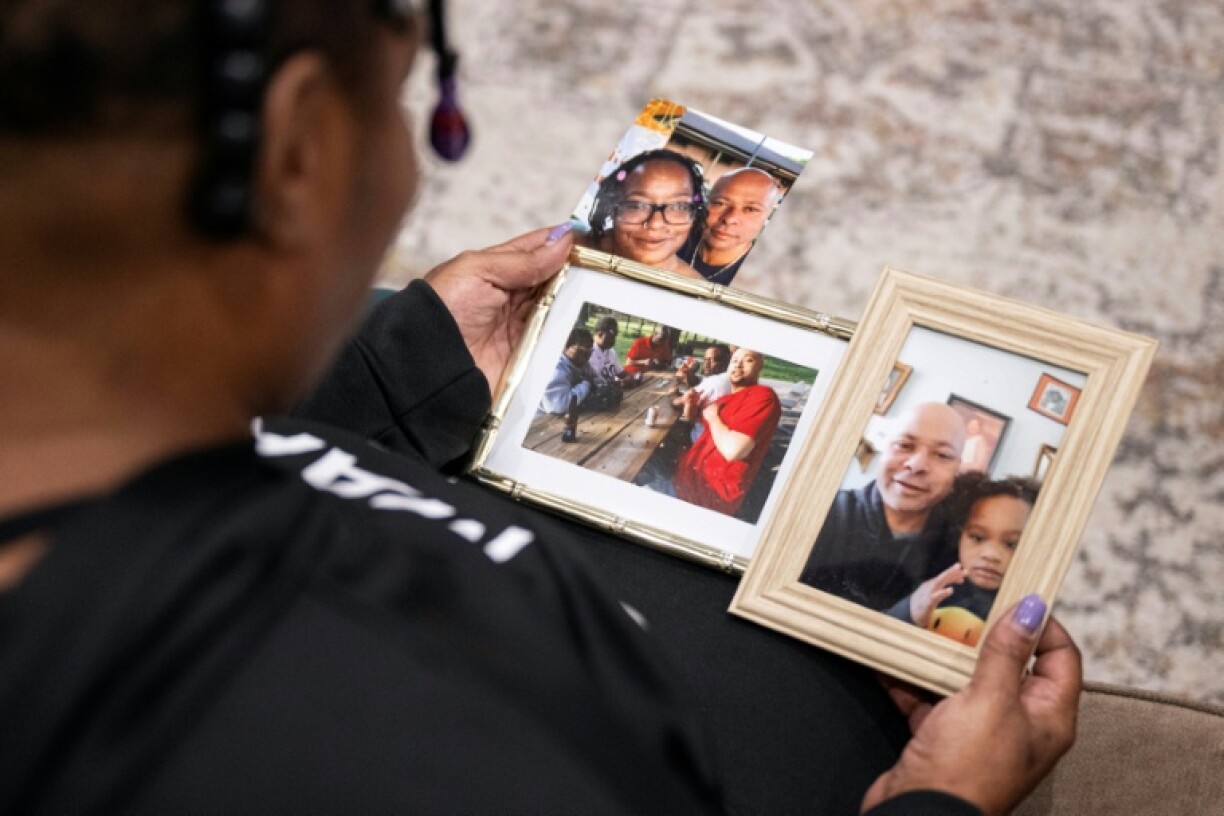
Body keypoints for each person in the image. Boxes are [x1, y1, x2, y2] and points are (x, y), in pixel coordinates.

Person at [0, 2, 1082, 813]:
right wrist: (943, 805)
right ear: (299, 150)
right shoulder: (447, 752)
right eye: (407, 106)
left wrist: (396, 372)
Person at [800, 402, 968, 610]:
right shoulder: (822, 513)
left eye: (942, 455)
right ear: (883, 449)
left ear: (957, 470)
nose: (916, 465)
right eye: (904, 445)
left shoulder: (959, 552)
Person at [887, 473, 1040, 647]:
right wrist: (909, 611)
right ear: (958, 535)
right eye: (977, 537)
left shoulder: (1031, 605)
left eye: (1011, 544)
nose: (990, 554)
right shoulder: (929, 584)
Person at [671, 348, 781, 517]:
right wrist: (690, 405)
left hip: (706, 498)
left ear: (760, 366)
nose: (738, 365)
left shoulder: (763, 396)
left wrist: (714, 418)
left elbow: (734, 450)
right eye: (734, 361)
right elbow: (695, 418)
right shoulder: (725, 400)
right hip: (687, 480)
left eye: (748, 360)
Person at [579, 148, 706, 278]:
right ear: (611, 208)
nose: (655, 224)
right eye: (637, 205)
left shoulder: (695, 287)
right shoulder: (572, 246)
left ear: (694, 216)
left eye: (678, 207)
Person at [678, 166, 782, 285]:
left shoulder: (767, 279)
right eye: (719, 203)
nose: (729, 219)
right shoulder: (672, 238)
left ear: (768, 217)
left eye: (750, 209)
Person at [538, 327, 596, 414]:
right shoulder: (557, 369)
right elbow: (558, 407)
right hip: (542, 419)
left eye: (590, 350)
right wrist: (586, 384)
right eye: (582, 349)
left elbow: (595, 379)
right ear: (565, 347)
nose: (587, 354)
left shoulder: (582, 365)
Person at [589, 315, 625, 385]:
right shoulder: (588, 352)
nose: (614, 341)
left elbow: (620, 372)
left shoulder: (611, 351)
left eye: (615, 336)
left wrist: (630, 377)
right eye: (611, 337)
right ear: (600, 334)